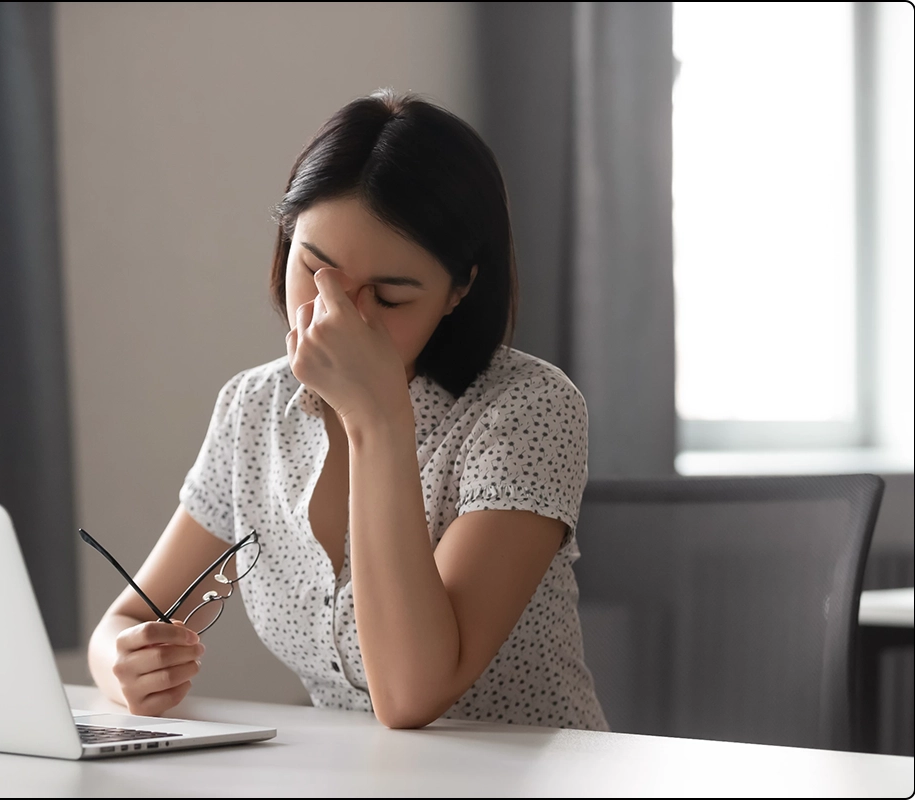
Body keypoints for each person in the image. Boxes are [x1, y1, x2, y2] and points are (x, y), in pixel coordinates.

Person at [87, 89, 608, 731]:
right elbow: (127, 619)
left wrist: (378, 418)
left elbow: (413, 693)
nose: (338, 318)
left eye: (388, 297)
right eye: (315, 270)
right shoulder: (255, 408)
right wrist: (124, 665)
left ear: (459, 290)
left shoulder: (528, 408)